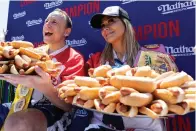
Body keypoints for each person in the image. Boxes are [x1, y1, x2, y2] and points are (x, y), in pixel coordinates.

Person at [0, 8, 85, 131]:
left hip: (55, 110)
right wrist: (14, 79)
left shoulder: (74, 58)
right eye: (46, 21)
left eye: (54, 22)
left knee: (19, 122)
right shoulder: (35, 52)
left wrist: (45, 87)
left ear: (66, 32)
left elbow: (68, 106)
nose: (47, 24)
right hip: (24, 103)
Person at [84, 6, 166, 131]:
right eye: (102, 25)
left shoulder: (151, 57)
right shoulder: (95, 60)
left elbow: (166, 97)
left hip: (145, 127)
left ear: (126, 24)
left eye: (111, 21)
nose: (105, 28)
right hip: (102, 126)